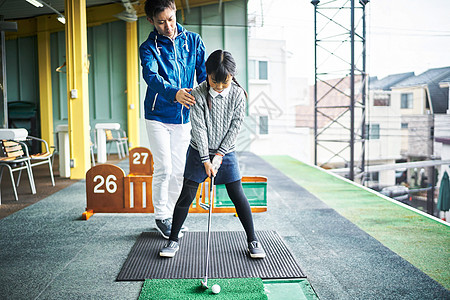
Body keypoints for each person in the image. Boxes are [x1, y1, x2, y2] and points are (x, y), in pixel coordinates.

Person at [159, 49, 266, 259]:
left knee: (238, 195)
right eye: (214, 81)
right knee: (186, 196)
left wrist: (218, 157)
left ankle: (252, 239)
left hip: (226, 153)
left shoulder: (238, 95)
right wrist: (206, 160)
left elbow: (235, 128)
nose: (218, 87)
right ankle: (173, 240)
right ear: (207, 74)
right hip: (199, 151)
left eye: (224, 82)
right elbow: (199, 129)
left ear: (232, 76)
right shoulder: (197, 94)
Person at [139, 0, 207, 239]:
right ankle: (161, 216)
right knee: (164, 167)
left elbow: (202, 74)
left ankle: (173, 214)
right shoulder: (148, 48)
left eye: (170, 19)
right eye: (161, 22)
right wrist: (174, 93)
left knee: (179, 171)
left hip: (184, 117)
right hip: (157, 115)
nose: (168, 26)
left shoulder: (194, 41)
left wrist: (206, 96)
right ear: (151, 21)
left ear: (176, 13)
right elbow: (151, 77)